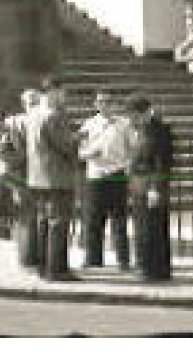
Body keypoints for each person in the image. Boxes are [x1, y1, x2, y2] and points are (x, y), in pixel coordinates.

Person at [25, 77, 79, 281]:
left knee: (43, 222)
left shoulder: (33, 115)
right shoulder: (53, 116)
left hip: (37, 177)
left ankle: (43, 267)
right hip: (56, 177)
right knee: (58, 223)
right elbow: (65, 146)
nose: (64, 97)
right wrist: (78, 140)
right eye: (63, 92)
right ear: (53, 92)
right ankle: (56, 269)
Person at [77, 91, 132, 270]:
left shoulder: (124, 124)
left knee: (119, 219)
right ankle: (93, 259)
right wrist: (89, 154)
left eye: (109, 101)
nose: (105, 105)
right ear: (95, 104)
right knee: (93, 219)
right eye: (101, 102)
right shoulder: (89, 124)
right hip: (96, 175)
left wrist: (126, 167)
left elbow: (132, 149)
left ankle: (123, 260)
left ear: (115, 104)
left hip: (117, 174)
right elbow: (79, 150)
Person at [0, 88, 41, 270]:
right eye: (30, 102)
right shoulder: (13, 123)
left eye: (36, 102)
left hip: (42, 176)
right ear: (24, 104)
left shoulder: (45, 119)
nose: (33, 105)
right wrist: (3, 172)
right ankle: (27, 258)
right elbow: (3, 150)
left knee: (37, 217)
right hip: (20, 176)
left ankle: (37, 257)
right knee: (26, 217)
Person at [125, 94, 175, 281]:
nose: (131, 119)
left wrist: (155, 188)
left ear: (144, 113)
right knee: (145, 227)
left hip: (150, 186)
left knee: (151, 228)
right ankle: (150, 267)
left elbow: (161, 163)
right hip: (140, 185)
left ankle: (152, 269)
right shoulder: (143, 130)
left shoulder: (158, 131)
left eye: (133, 115)